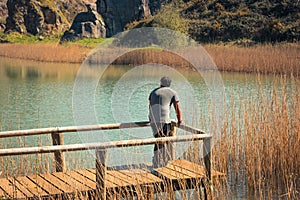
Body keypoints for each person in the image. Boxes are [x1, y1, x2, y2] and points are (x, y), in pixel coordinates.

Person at [148, 76, 182, 168]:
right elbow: (177, 108)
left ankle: (157, 161)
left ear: (160, 83)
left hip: (153, 121)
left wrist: (151, 119)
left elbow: (150, 106)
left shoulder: (153, 92)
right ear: (169, 84)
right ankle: (160, 163)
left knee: (158, 140)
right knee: (163, 141)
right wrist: (179, 120)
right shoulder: (173, 93)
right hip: (164, 121)